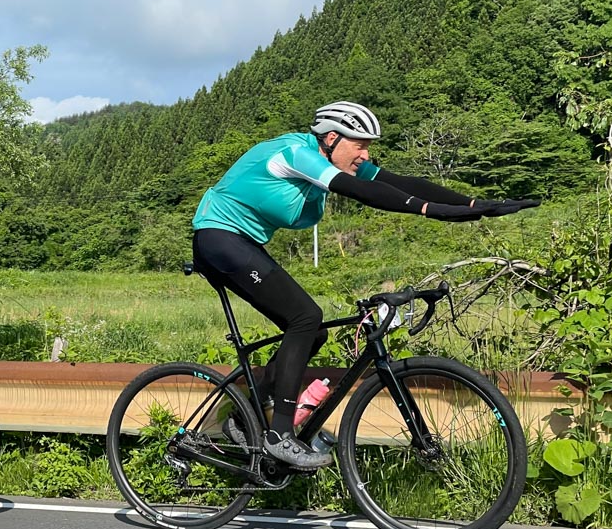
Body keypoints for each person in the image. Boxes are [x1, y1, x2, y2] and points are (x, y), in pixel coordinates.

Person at [191, 101, 538, 470]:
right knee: (304, 318)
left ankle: (244, 418)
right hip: (219, 238)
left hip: (243, 242)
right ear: (331, 138)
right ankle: (279, 435)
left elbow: (396, 184)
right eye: (360, 144)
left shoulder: (327, 156)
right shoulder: (297, 154)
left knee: (313, 332)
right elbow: (362, 192)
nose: (365, 154)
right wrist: (432, 211)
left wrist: (473, 204)